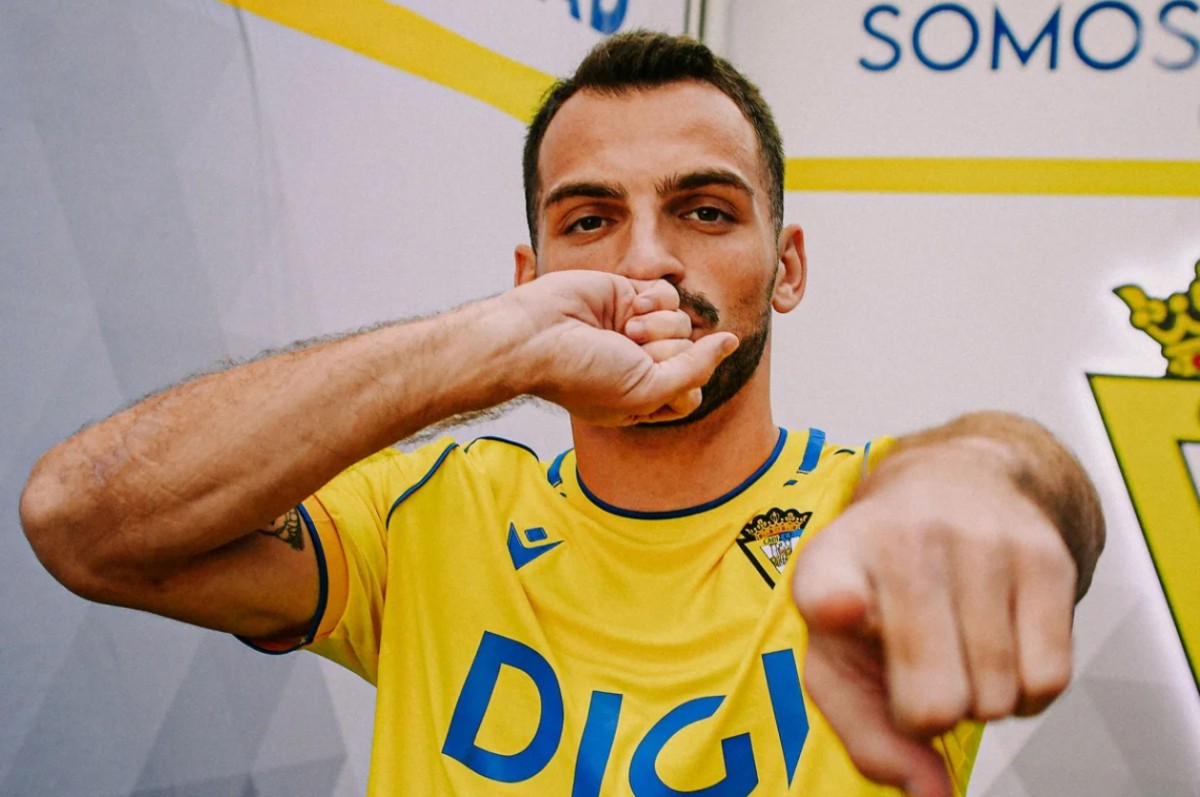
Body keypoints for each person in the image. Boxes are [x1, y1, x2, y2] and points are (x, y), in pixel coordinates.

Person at [19, 31, 1104, 797]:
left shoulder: (875, 519)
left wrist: (980, 471)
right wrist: (481, 353)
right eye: (590, 220)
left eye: (705, 210)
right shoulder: (427, 517)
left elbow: (1027, 482)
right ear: (530, 274)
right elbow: (78, 519)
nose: (646, 259)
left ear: (787, 267)